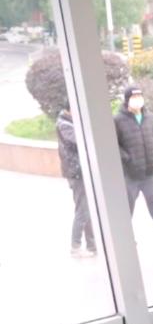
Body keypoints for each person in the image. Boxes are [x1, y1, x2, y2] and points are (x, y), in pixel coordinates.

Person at [113, 85, 153, 243]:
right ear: (127, 100)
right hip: (130, 173)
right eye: (134, 97)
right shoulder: (118, 120)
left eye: (139, 96)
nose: (137, 100)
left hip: (149, 171)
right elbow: (114, 145)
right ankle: (125, 236)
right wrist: (127, 159)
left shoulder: (149, 117)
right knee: (127, 205)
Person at [55, 106, 96, 258]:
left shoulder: (72, 122)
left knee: (88, 210)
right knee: (83, 210)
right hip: (76, 173)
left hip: (81, 172)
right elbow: (79, 141)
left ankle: (92, 244)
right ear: (68, 110)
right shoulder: (64, 125)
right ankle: (75, 246)